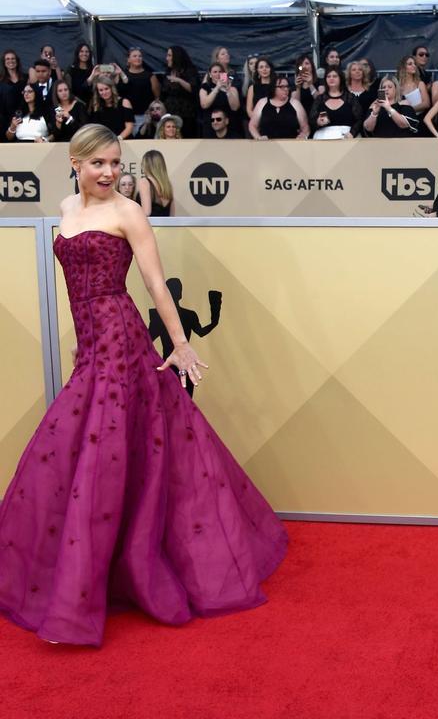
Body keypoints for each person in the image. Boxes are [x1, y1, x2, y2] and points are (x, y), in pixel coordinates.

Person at [0, 124, 287, 646]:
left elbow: (155, 282)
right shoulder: (67, 208)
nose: (109, 172)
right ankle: (101, 570)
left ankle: (89, 586)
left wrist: (178, 344)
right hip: (90, 341)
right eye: (98, 164)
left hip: (119, 337)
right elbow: (74, 290)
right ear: (75, 162)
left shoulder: (128, 212)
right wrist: (77, 344)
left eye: (115, 162)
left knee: (101, 447)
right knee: (95, 449)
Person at [310, 66, 361, 139]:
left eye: (335, 76)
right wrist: (318, 122)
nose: (331, 78)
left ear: (340, 78)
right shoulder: (320, 99)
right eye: (328, 76)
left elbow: (359, 119)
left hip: (346, 137)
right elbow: (311, 120)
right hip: (322, 138)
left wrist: (352, 133)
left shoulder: (350, 98)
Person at [160, 46, 198, 138]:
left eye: (169, 55)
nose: (167, 58)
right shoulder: (168, 71)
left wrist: (179, 80)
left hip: (186, 114)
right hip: (170, 113)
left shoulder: (189, 70)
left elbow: (193, 89)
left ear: (176, 57)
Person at [199, 63, 241, 137]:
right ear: (210, 74)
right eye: (215, 72)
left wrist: (228, 90)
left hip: (229, 125)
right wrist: (217, 88)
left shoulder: (232, 88)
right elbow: (204, 105)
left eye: (220, 72)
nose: (218, 74)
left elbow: (235, 107)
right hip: (211, 125)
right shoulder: (205, 88)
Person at [138, 149, 175, 217]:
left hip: (151, 226)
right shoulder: (168, 184)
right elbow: (172, 215)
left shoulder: (144, 182)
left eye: (142, 163)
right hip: (167, 226)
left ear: (146, 165)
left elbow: (146, 212)